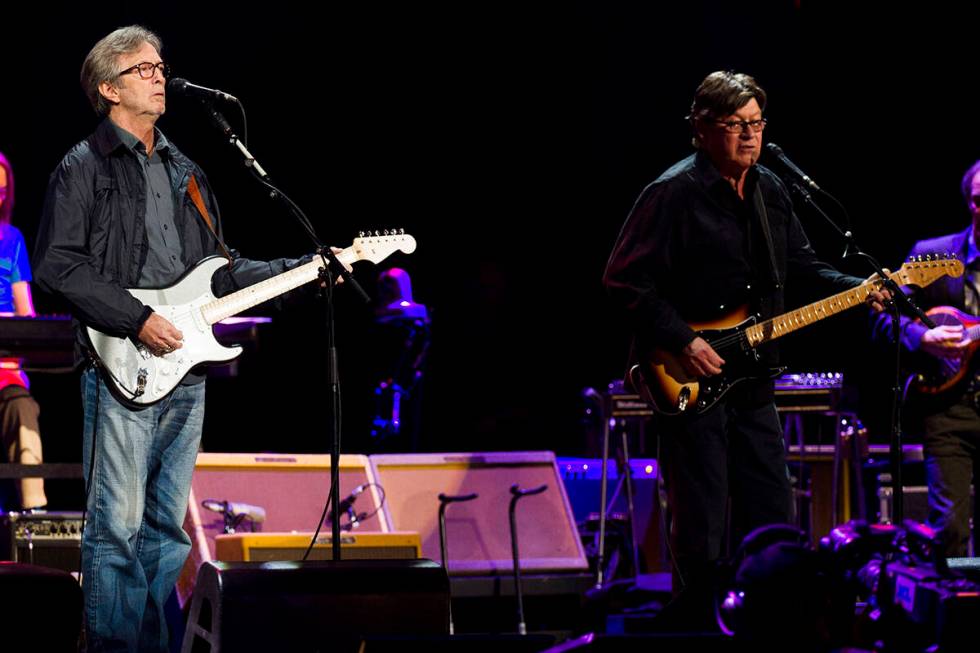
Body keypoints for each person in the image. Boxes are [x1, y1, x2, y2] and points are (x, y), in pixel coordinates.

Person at [32, 26, 313, 651]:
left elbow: (220, 269)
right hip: (122, 364)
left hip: (186, 367)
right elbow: (59, 264)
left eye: (161, 65)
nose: (160, 75)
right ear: (108, 88)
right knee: (117, 527)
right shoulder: (83, 166)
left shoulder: (187, 169)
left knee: (168, 531)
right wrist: (137, 319)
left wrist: (304, 268)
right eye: (143, 68)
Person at [602, 71, 890, 598]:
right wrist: (685, 339)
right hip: (690, 377)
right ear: (702, 128)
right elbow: (623, 281)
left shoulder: (771, 189)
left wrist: (861, 286)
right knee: (702, 520)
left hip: (755, 380)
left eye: (756, 123)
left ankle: (767, 619)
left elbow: (802, 269)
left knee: (771, 512)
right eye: (736, 124)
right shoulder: (671, 194)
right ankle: (702, 623)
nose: (750, 135)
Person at [872, 159, 980, 558]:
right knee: (950, 531)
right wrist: (922, 337)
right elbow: (883, 317)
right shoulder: (932, 256)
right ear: (969, 203)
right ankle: (955, 609)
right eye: (978, 201)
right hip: (947, 409)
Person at [0, 150, 47, 512]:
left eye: (1, 190)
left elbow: (25, 311)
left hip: (4, 366)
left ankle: (34, 518)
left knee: (22, 407)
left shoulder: (11, 239)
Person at [369, 267, 429, 450]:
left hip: (406, 384)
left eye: (390, 285)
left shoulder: (414, 317)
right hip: (383, 383)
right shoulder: (380, 318)